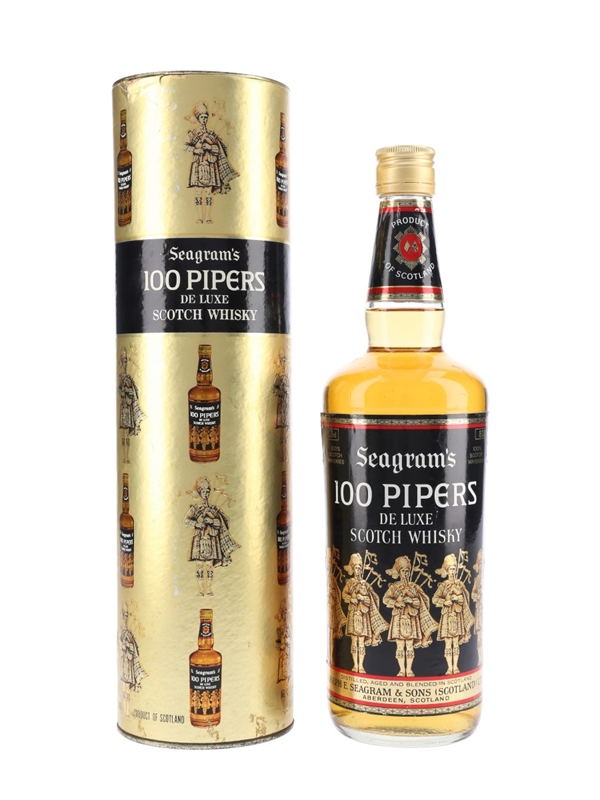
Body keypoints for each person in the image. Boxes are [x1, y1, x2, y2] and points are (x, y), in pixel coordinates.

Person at [183, 102, 239, 224]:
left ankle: (208, 217)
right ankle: (200, 217)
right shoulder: (193, 133)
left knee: (208, 193)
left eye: (206, 117)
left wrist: (210, 147)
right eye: (202, 117)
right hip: (197, 164)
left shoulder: (212, 133)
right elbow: (185, 146)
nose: (204, 119)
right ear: (198, 118)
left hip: (210, 164)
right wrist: (196, 150)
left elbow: (221, 148)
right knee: (198, 192)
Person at [383, 555, 438, 677]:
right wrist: (396, 603)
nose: (405, 573)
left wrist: (411, 600)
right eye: (403, 570)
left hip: (412, 617)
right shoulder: (395, 587)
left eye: (407, 571)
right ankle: (401, 670)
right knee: (399, 646)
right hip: (398, 617)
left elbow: (423, 601)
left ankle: (409, 670)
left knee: (409, 646)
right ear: (399, 572)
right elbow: (385, 599)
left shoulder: (414, 587)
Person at [184, 478, 240, 596]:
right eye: (204, 491)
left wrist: (211, 521)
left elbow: (223, 522)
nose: (206, 494)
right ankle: (201, 591)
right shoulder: (195, 508)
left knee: (209, 565)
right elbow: (186, 520)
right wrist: (197, 524)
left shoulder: (214, 509)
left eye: (208, 491)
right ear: (199, 492)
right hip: (199, 538)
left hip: (211, 539)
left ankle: (208, 590)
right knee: (199, 565)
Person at [341, 553, 388, 673]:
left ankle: (361, 666)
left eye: (359, 568)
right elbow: (344, 594)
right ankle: (354, 666)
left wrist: (363, 597)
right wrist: (351, 599)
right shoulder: (350, 582)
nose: (358, 570)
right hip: (353, 612)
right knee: (354, 641)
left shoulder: (365, 584)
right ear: (353, 569)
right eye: (356, 568)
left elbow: (374, 598)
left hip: (363, 614)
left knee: (361, 642)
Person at [432, 553, 474, 675]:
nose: (452, 571)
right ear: (446, 570)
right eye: (450, 569)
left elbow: (466, 597)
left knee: (455, 643)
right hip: (447, 615)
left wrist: (459, 598)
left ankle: (455, 667)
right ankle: (449, 668)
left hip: (457, 615)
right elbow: (434, 599)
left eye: (454, 569)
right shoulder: (443, 585)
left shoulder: (460, 584)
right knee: (448, 644)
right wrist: (445, 602)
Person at [119, 603, 147, 716]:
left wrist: (127, 646)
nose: (125, 619)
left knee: (126, 689)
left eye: (126, 616)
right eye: (124, 616)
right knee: (124, 689)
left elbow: (133, 649)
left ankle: (126, 712)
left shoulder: (128, 634)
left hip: (128, 664)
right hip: (124, 664)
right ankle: (126, 712)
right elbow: (123, 647)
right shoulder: (123, 633)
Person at [118, 347, 144, 463]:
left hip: (128, 408)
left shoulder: (129, 379)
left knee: (127, 435)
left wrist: (128, 392)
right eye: (123, 361)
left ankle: (127, 457)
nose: (125, 363)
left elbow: (134, 393)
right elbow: (120, 391)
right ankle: (124, 458)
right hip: (124, 407)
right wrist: (123, 392)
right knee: (123, 435)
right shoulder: (121, 377)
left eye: (126, 361)